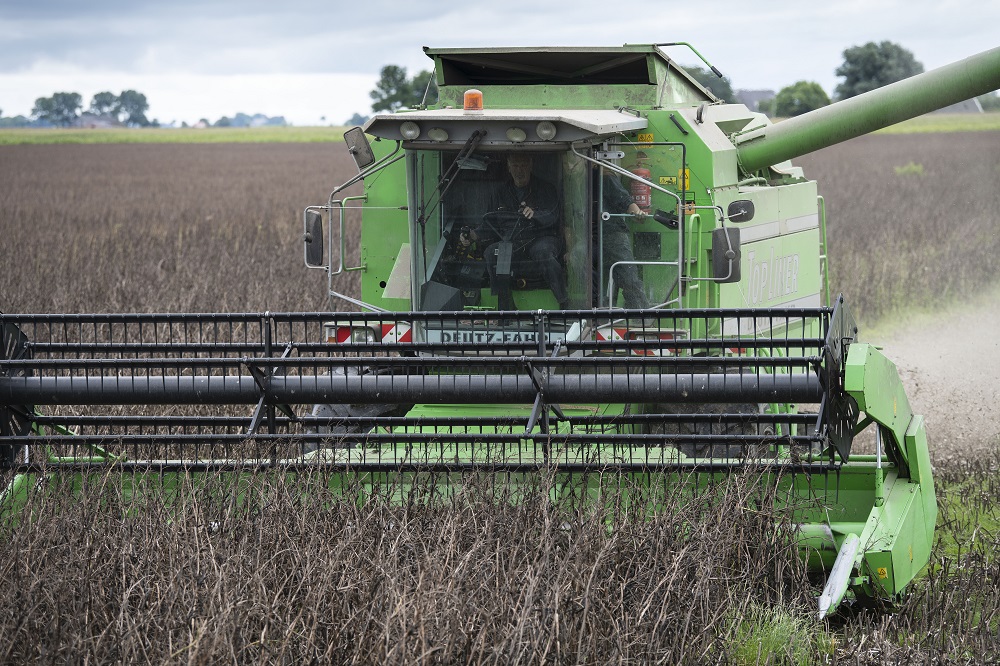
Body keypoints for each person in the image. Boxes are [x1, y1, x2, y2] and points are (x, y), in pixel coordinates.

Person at [475, 153, 569, 311]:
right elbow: (489, 224)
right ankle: (504, 306)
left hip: (540, 237)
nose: (520, 170)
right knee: (493, 252)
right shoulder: (500, 193)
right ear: (509, 167)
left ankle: (564, 302)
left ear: (531, 166)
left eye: (524, 165)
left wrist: (535, 214)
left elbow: (553, 216)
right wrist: (472, 235)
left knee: (544, 253)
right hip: (512, 240)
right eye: (516, 166)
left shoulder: (546, 188)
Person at [596, 171, 651, 309]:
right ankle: (597, 317)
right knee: (596, 282)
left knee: (629, 278)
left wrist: (636, 212)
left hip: (612, 232)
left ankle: (642, 317)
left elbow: (624, 200)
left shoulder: (604, 176)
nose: (570, 165)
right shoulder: (572, 181)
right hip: (589, 237)